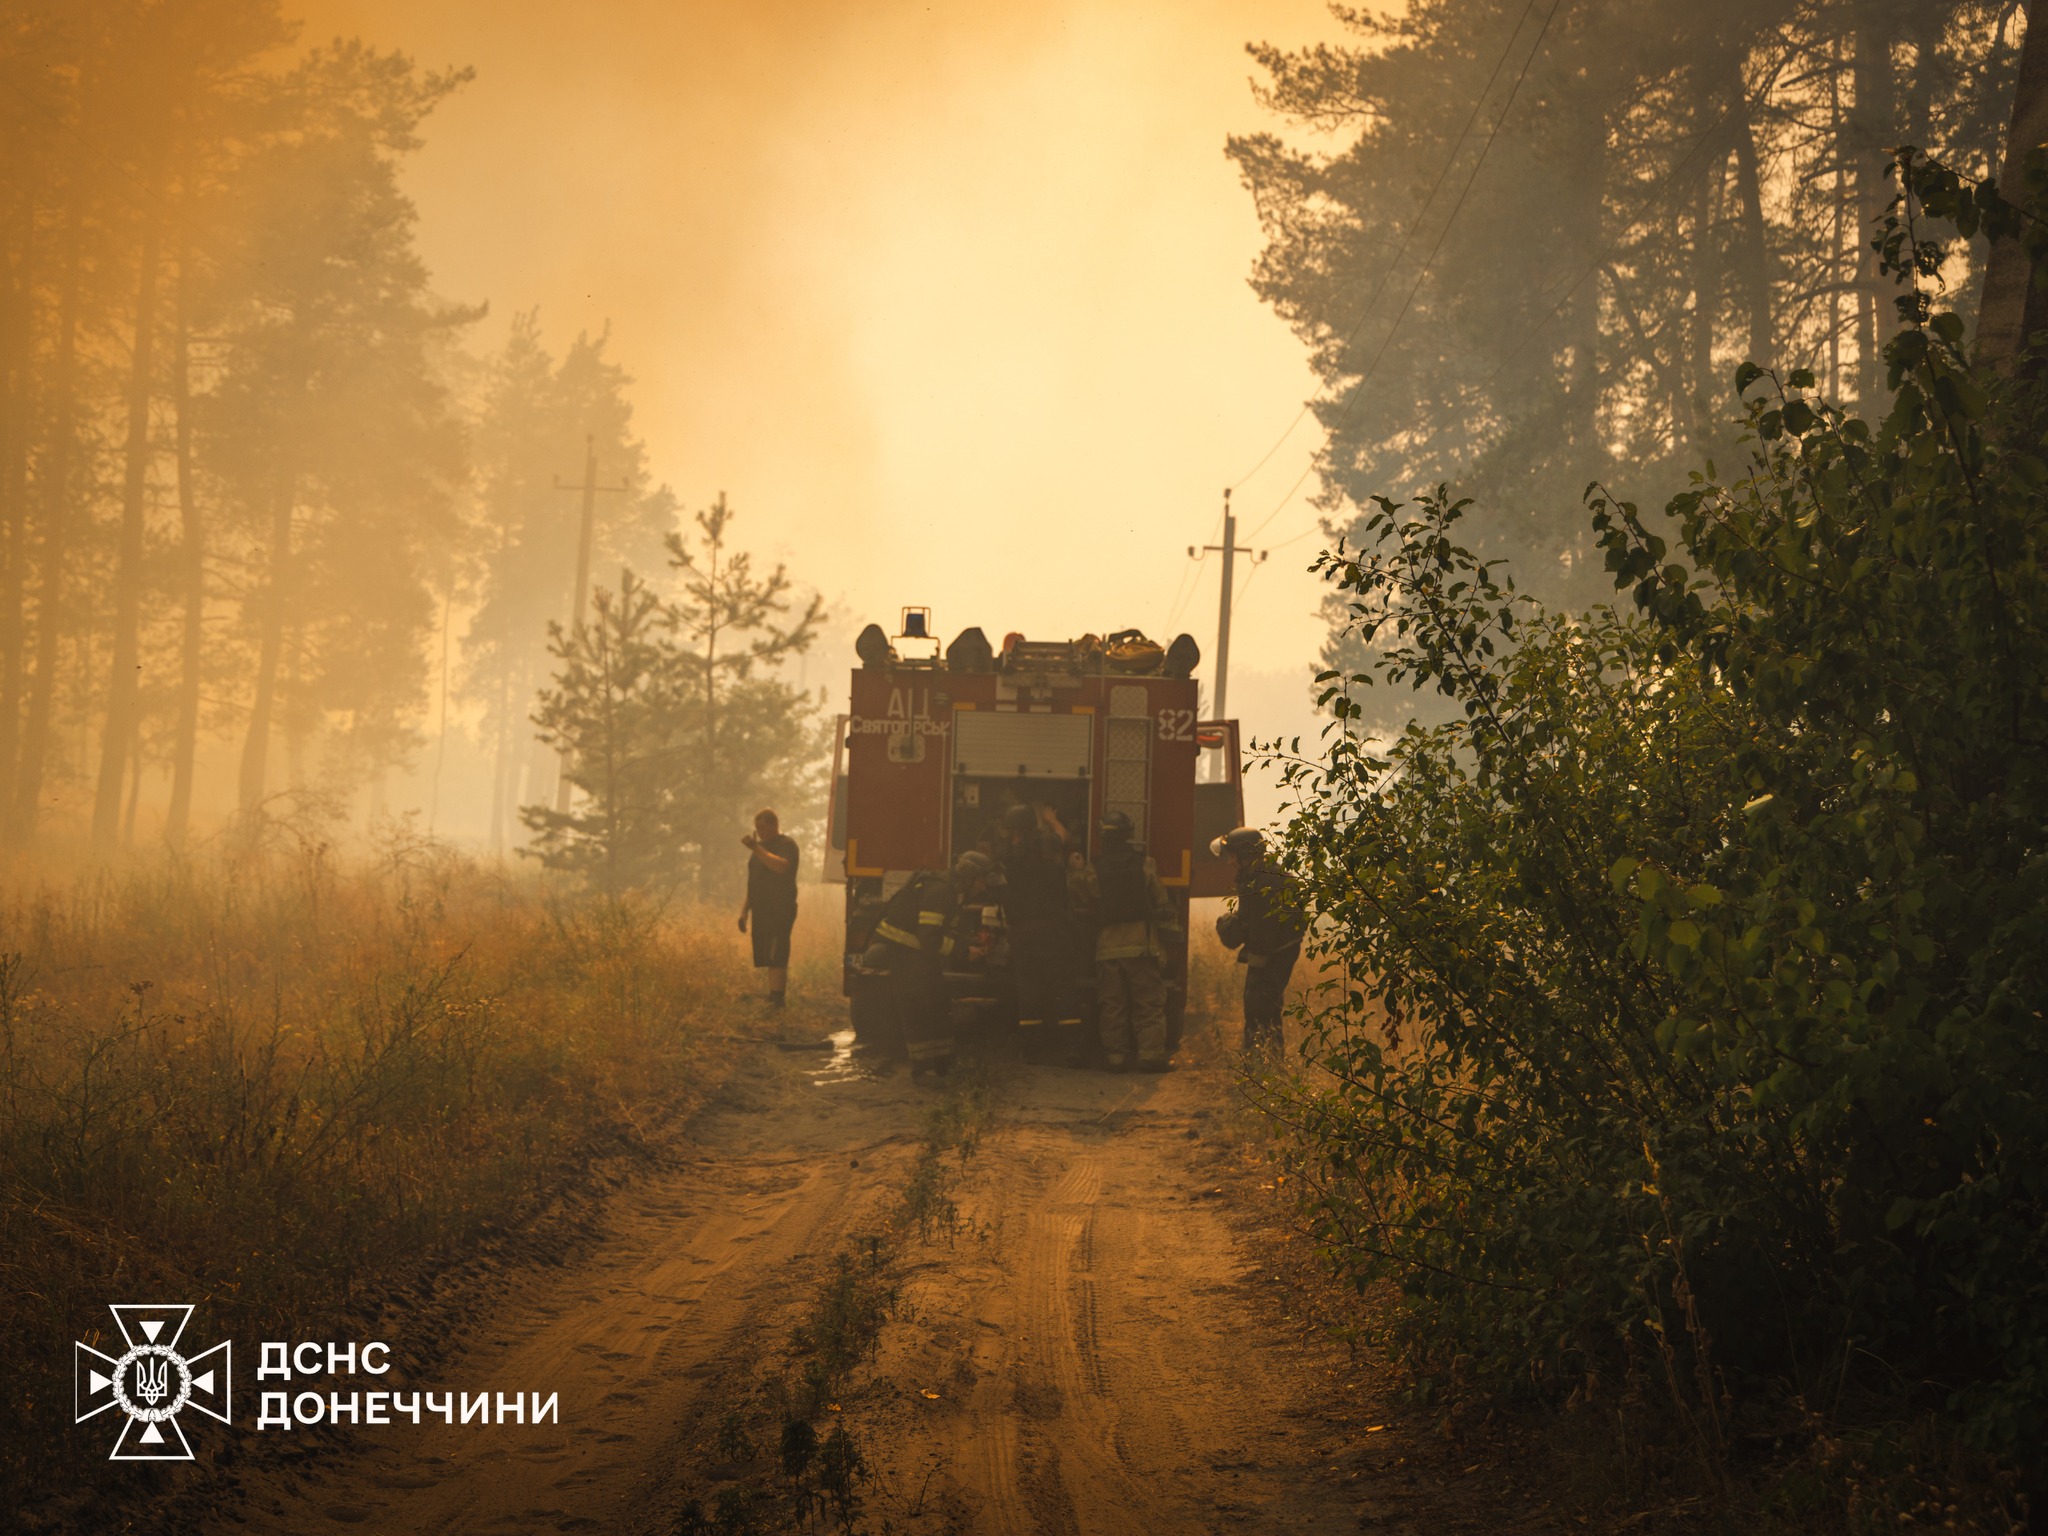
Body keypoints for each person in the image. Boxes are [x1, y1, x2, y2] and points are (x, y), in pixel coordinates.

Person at [862, 851, 994, 1079]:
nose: (983, 888)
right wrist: (964, 951)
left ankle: (942, 1064)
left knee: (937, 1002)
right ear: (970, 877)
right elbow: (930, 938)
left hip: (917, 953)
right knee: (919, 1007)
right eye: (981, 882)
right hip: (903, 953)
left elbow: (941, 931)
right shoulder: (941, 892)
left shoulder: (951, 891)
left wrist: (969, 941)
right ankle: (923, 1068)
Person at [1077, 810, 1178, 1072]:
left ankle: (1115, 1058)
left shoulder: (1093, 869)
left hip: (1108, 948)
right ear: (1129, 835)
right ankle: (1150, 1056)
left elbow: (1087, 900)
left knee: (1113, 1005)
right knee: (1148, 1003)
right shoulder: (1145, 864)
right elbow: (1161, 901)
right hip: (1141, 946)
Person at [996, 803, 1082, 1063]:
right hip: (1054, 930)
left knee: (1028, 990)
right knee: (1063, 987)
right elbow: (1064, 837)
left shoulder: (1008, 855)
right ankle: (1072, 1050)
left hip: (1022, 934)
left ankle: (1032, 1051)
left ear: (1011, 830)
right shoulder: (1045, 844)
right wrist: (1051, 818)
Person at [1211, 827, 1303, 1056]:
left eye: (1232, 856)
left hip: (1270, 956)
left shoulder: (1264, 882)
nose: (1230, 862)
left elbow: (1263, 931)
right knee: (1266, 1009)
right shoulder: (1261, 877)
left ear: (1246, 855)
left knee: (1259, 1009)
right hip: (1275, 954)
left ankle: (1260, 1061)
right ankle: (1264, 1060)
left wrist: (1236, 933)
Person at [738, 808, 800, 1008]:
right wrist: (744, 911)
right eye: (757, 828)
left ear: (774, 824)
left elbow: (781, 867)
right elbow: (754, 882)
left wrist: (756, 847)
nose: (760, 832)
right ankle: (773, 994)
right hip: (761, 909)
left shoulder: (786, 845)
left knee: (777, 952)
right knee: (766, 952)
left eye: (763, 827)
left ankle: (777, 999)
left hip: (779, 908)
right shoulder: (760, 850)